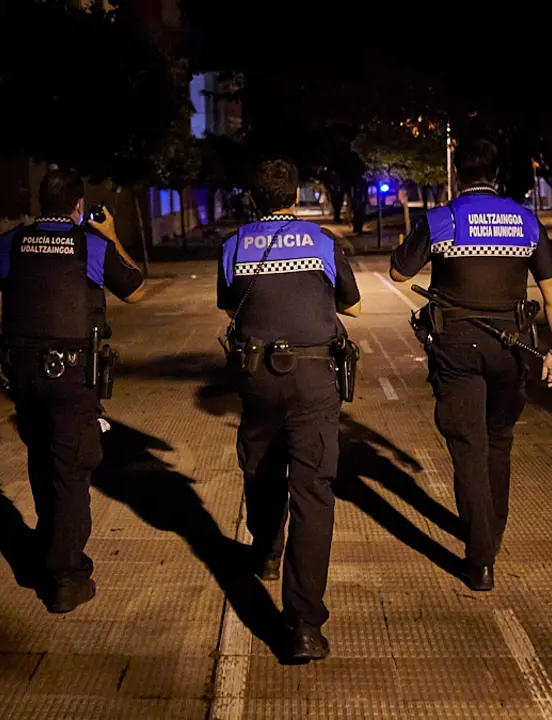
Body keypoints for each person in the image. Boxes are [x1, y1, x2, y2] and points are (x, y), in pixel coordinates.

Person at [0, 168, 146, 614]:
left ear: (41, 203)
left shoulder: (9, 244)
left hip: (22, 379)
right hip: (74, 379)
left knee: (42, 460)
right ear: (78, 206)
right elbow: (135, 291)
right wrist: (111, 234)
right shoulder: (91, 244)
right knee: (72, 473)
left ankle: (49, 545)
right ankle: (67, 578)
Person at [387, 138, 552, 592]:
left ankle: (480, 555)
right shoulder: (525, 221)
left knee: (467, 446)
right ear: (495, 174)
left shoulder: (443, 218)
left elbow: (398, 274)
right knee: (499, 441)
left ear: (459, 175)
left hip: (457, 347)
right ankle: (493, 530)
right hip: (514, 347)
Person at [217, 159, 362, 661]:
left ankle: (266, 553)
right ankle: (303, 625)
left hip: (258, 378)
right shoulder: (322, 243)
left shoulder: (233, 245)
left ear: (252, 198)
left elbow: (228, 303)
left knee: (259, 470)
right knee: (313, 493)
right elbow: (354, 306)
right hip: (314, 378)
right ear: (294, 197)